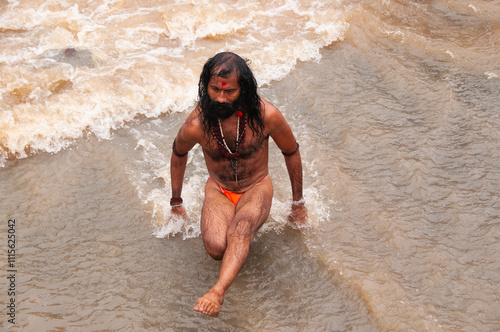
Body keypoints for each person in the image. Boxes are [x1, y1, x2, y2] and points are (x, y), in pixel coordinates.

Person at [170, 52, 307, 317]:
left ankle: (217, 291)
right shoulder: (196, 124)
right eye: (214, 90)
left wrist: (298, 204)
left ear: (243, 89)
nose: (220, 98)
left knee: (241, 229)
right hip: (219, 189)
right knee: (216, 248)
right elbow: (178, 153)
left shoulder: (267, 116)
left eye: (229, 91)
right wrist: (176, 203)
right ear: (205, 86)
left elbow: (291, 152)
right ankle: (237, 245)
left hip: (256, 186)